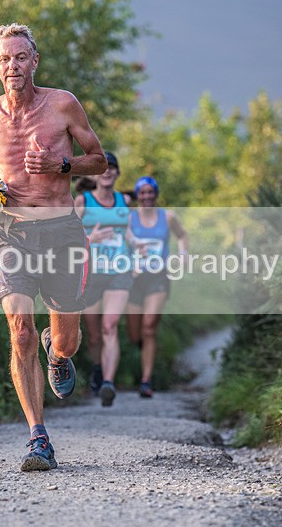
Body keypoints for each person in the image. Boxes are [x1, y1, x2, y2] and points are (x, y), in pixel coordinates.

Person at [0, 23, 107, 471]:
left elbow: (99, 159)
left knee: (65, 340)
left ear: (34, 61)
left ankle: (59, 350)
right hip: (10, 234)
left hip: (63, 233)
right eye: (5, 59)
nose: (13, 65)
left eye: (21, 57)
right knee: (19, 332)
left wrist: (61, 163)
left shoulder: (62, 104)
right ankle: (38, 438)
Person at [74, 151, 132, 407]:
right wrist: (90, 240)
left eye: (112, 167)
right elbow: (68, 237)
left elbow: (129, 235)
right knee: (94, 334)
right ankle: (98, 368)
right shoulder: (83, 202)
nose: (107, 171)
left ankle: (108, 382)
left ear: (118, 173)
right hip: (91, 273)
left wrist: (139, 245)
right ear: (95, 173)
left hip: (120, 271)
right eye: (103, 167)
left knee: (110, 326)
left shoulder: (123, 202)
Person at [125, 176, 188, 398]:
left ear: (156, 194)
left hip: (158, 277)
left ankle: (146, 380)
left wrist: (183, 253)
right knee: (135, 334)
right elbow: (122, 240)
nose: (147, 196)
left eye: (151, 192)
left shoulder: (168, 217)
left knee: (149, 326)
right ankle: (146, 351)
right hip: (134, 278)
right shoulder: (130, 219)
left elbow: (182, 235)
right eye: (142, 192)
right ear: (138, 195)